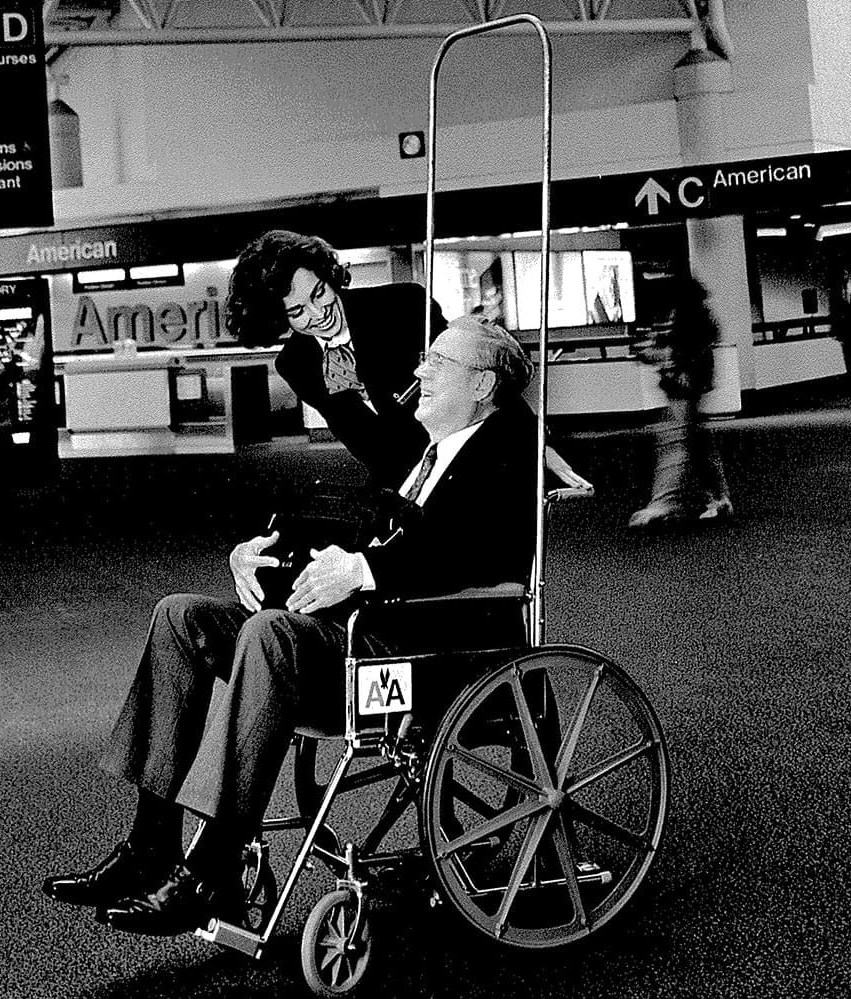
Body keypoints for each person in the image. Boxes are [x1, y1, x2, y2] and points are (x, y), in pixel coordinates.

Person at [42, 315, 538, 936]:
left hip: (424, 655)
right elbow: (361, 521)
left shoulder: (504, 452)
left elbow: (477, 553)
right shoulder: (424, 450)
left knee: (270, 634)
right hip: (361, 634)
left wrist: (364, 569)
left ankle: (213, 868)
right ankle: (151, 845)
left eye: (437, 362)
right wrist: (259, 549)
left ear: (483, 385)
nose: (419, 371)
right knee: (180, 616)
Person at [226, 229, 446, 487]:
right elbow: (359, 438)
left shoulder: (405, 303)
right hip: (401, 479)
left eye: (319, 292)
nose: (319, 313)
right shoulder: (294, 363)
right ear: (277, 318)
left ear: (329, 275)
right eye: (297, 312)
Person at [629, 273, 733, 527]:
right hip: (686, 384)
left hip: (682, 386)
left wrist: (655, 355)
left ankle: (665, 501)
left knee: (675, 441)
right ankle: (719, 499)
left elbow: (677, 353)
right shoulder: (695, 315)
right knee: (698, 443)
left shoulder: (687, 318)